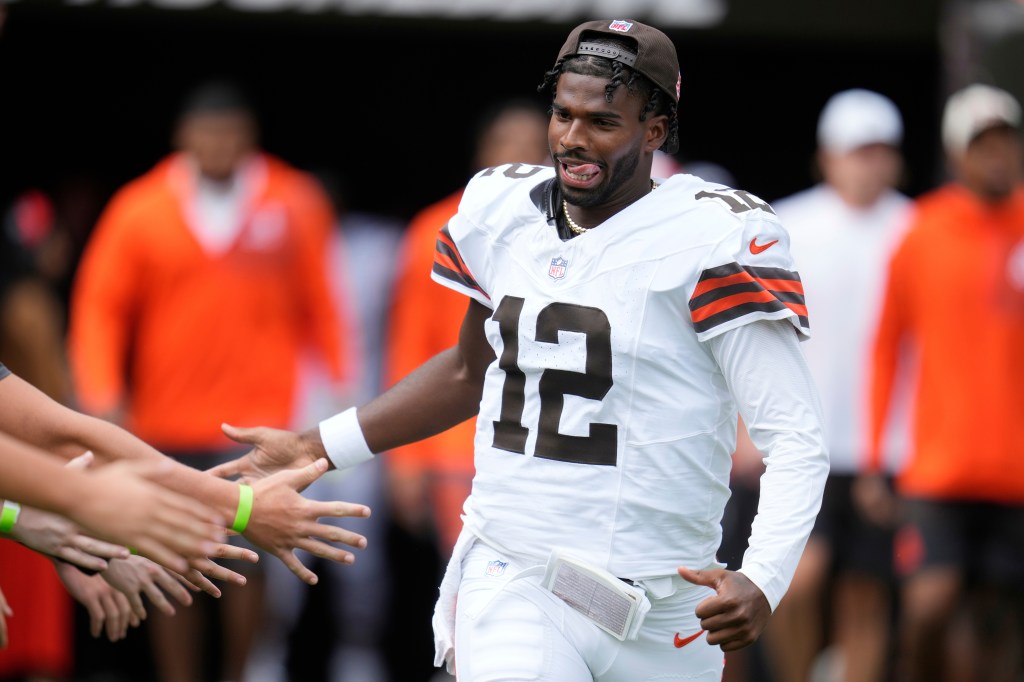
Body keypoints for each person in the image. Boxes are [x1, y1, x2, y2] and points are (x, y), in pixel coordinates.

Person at [214, 19, 829, 681]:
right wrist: (315, 447)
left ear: (655, 130)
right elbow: (465, 372)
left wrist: (764, 577)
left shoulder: (716, 234)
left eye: (602, 121)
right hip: (521, 570)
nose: (572, 138)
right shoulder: (501, 209)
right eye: (562, 114)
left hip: (667, 603)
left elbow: (793, 436)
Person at [68, 80, 354, 682]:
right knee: (170, 557)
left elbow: (323, 302)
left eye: (231, 134)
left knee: (247, 561)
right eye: (208, 133)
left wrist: (335, 394)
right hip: (163, 420)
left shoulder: (292, 199)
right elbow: (100, 307)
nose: (219, 145)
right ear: (183, 137)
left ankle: (242, 673)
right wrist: (100, 393)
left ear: (249, 137)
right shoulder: (140, 206)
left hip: (258, 421)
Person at [868, 83, 1024, 682]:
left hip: (1014, 469)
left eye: (1006, 142)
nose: (997, 157)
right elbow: (886, 349)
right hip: (939, 465)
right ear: (957, 155)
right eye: (982, 145)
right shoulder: (922, 232)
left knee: (997, 619)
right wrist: (881, 454)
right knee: (930, 605)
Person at [764, 89, 912, 682]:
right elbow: (750, 333)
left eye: (879, 152)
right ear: (827, 157)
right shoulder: (783, 226)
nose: (867, 164)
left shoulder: (914, 228)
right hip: (799, 439)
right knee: (794, 584)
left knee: (866, 594)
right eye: (856, 152)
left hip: (888, 446)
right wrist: (750, 429)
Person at [386, 99, 549, 556]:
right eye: (506, 144)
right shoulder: (434, 229)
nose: (519, 155)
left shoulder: (574, 233)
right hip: (456, 438)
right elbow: (408, 344)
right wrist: (404, 455)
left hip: (545, 443)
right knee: (466, 578)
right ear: (482, 155)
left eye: (533, 146)